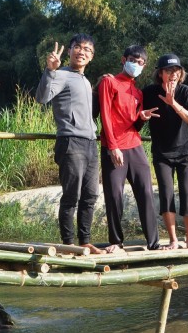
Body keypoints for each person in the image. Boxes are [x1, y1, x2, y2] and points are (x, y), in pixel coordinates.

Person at [35, 35, 102, 254]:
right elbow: (42, 98)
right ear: (71, 50)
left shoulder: (84, 79)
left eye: (87, 50)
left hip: (91, 144)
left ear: (91, 57)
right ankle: (68, 243)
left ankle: (85, 242)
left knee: (90, 195)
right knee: (72, 195)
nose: (81, 52)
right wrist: (50, 71)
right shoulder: (61, 74)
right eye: (77, 47)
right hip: (71, 141)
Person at [98, 45, 162, 252]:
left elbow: (133, 124)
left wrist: (141, 119)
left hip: (135, 146)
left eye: (141, 63)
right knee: (114, 195)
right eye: (134, 60)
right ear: (123, 59)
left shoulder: (137, 92)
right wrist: (113, 146)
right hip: (113, 147)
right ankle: (116, 242)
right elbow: (106, 116)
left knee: (146, 193)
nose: (137, 65)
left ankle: (153, 243)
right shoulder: (109, 82)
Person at [142, 54, 188, 249]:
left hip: (187, 153)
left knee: (186, 193)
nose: (173, 74)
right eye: (168, 70)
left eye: (176, 70)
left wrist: (172, 103)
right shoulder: (149, 92)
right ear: (160, 73)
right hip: (162, 154)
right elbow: (130, 105)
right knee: (166, 194)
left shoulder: (186, 92)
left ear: (181, 73)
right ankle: (174, 240)